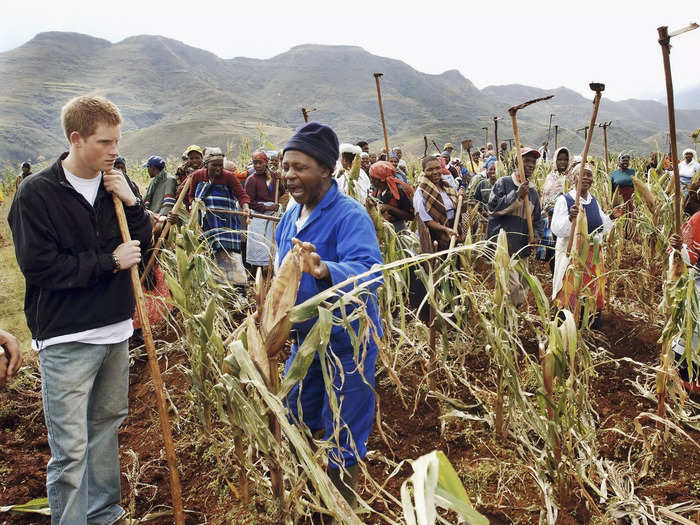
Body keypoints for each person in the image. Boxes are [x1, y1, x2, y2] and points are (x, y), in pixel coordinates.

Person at [8, 95, 152, 524]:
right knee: (70, 447)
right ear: (76, 138)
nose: (114, 150)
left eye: (117, 141)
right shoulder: (37, 194)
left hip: (115, 333)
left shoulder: (118, 185)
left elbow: (144, 245)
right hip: (67, 337)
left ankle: (104, 513)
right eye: (105, 142)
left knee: (106, 429)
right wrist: (109, 261)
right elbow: (40, 266)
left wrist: (133, 203)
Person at [276, 121, 383, 508]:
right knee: (297, 409)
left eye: (300, 167)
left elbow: (372, 272)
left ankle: (343, 505)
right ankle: (305, 492)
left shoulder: (349, 215)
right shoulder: (291, 216)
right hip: (304, 339)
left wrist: (325, 271)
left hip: (346, 340)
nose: (290, 175)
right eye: (286, 166)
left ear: (326, 169)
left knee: (344, 422)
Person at [551, 164, 621, 328]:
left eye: (589, 175)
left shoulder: (593, 201)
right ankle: (566, 327)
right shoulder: (565, 200)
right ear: (573, 178)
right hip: (572, 259)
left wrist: (612, 216)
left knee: (591, 291)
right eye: (583, 174)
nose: (587, 178)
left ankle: (589, 327)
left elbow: (601, 226)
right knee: (570, 292)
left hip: (592, 259)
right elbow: (557, 229)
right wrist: (570, 218)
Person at [487, 147, 544, 306]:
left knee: (523, 286)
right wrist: (516, 195)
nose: (531, 165)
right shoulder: (503, 183)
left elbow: (538, 220)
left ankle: (512, 319)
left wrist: (536, 237)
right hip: (504, 249)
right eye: (526, 161)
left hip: (522, 249)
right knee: (510, 287)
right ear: (516, 162)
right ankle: (504, 319)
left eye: (533, 162)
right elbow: (493, 209)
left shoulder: (533, 192)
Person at [188, 147, 251, 287]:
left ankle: (237, 286)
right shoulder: (198, 176)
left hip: (226, 221)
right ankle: (213, 286)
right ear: (206, 165)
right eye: (214, 165)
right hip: (207, 222)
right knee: (209, 253)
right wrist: (194, 205)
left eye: (220, 165)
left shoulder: (228, 176)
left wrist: (246, 207)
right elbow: (191, 195)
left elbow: (242, 195)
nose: (218, 168)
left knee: (229, 253)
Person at [669, 183, 700, 393]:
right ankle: (688, 385)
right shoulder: (698, 220)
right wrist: (678, 248)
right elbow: (688, 259)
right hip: (698, 287)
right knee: (692, 331)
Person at [413, 156, 466, 249]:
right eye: (430, 169)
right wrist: (445, 229)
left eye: (438, 168)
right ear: (424, 172)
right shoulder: (421, 192)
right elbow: (426, 220)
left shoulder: (447, 186)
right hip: (435, 234)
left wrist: (460, 197)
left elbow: (456, 208)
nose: (435, 172)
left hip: (453, 228)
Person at [245, 151, 282, 268]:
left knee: (271, 243)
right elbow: (249, 202)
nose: (257, 166)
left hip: (273, 215)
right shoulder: (251, 179)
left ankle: (270, 269)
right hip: (258, 217)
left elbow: (280, 191)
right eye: (255, 163)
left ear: (266, 162)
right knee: (258, 244)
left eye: (260, 163)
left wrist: (280, 181)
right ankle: (255, 270)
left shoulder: (274, 176)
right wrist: (267, 207)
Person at [368, 160, 414, 231]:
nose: (371, 181)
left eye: (373, 178)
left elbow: (411, 216)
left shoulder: (401, 190)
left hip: (398, 229)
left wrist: (389, 208)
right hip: (381, 228)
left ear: (382, 179)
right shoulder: (377, 188)